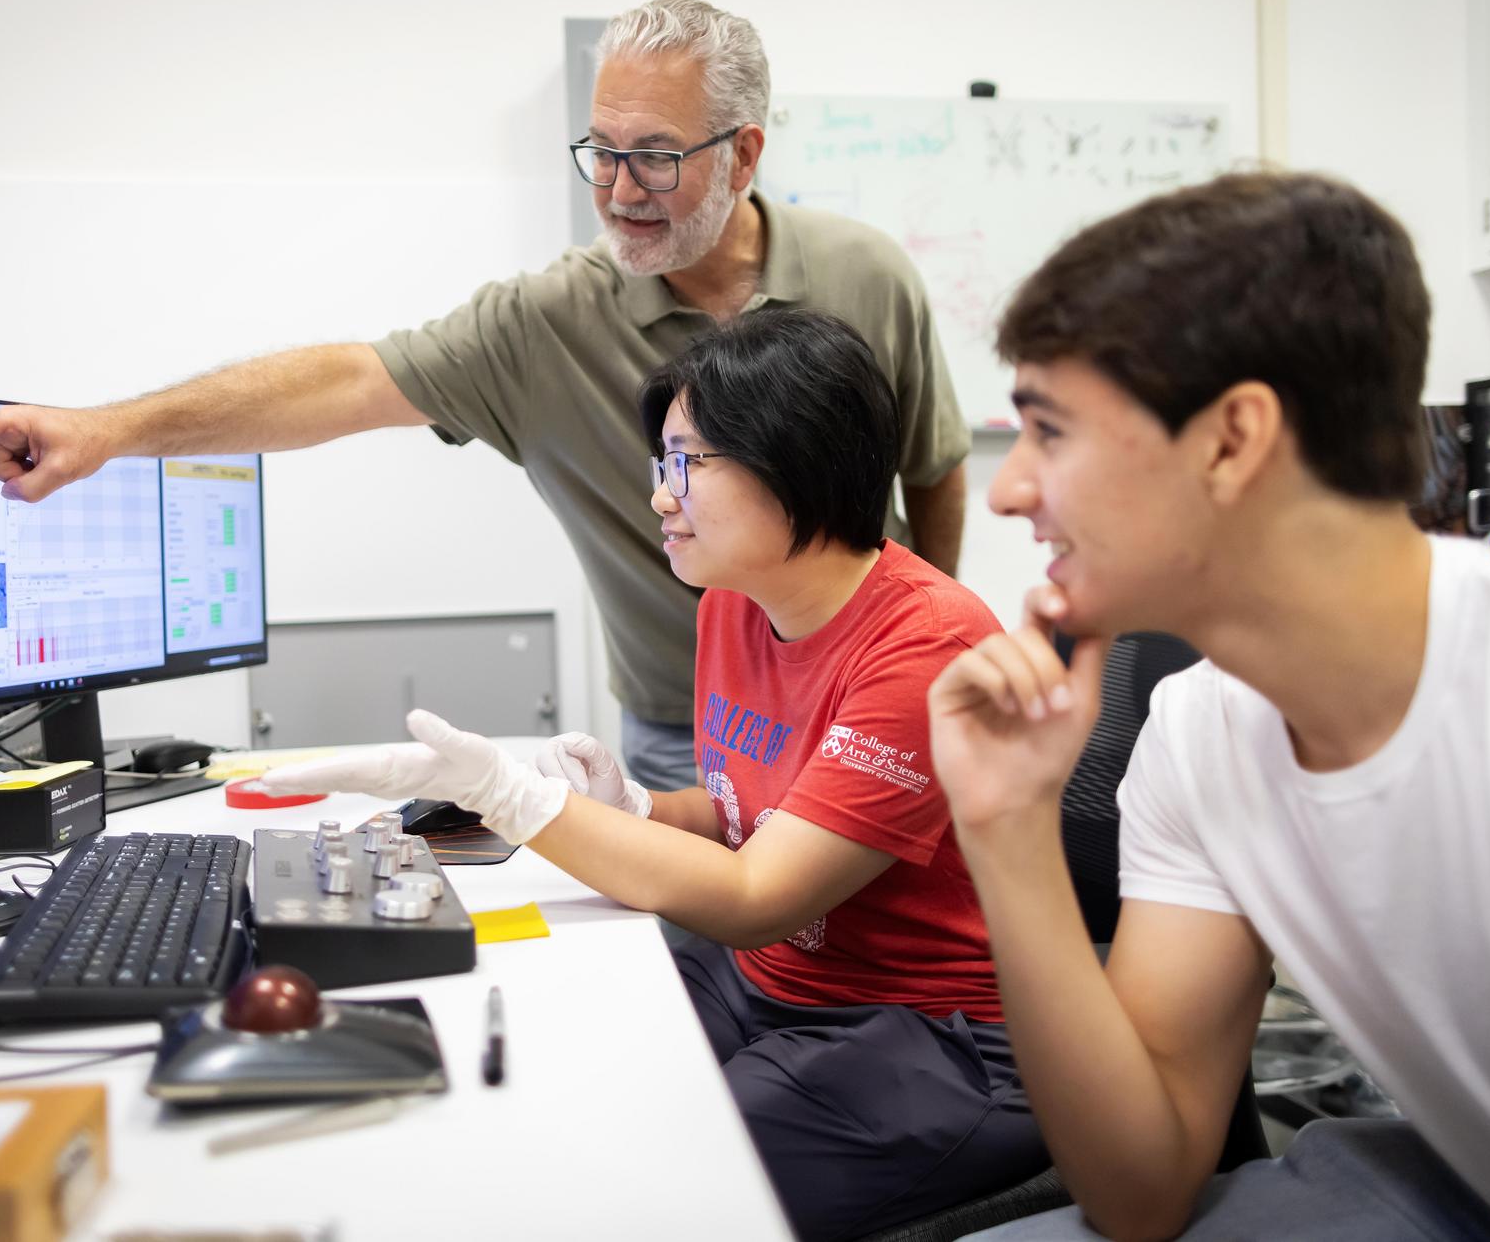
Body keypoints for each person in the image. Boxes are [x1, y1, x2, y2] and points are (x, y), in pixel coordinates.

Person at [0, 0, 971, 790]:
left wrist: (908, 655)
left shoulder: (864, 275)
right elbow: (349, 380)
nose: (615, 189)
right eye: (600, 150)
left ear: (743, 153)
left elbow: (931, 469)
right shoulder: (549, 321)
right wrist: (110, 431)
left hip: (863, 716)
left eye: (654, 155)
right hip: (689, 729)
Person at [928, 172, 1490, 1241]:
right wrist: (1004, 829)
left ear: (1232, 439)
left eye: (1048, 431)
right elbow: (1137, 1190)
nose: (1007, 489)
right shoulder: (1197, 733)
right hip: (1480, 1182)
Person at [265, 309, 1042, 1241]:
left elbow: (762, 893)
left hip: (927, 1028)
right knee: (547, 1048)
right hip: (773, 981)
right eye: (659, 465)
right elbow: (750, 819)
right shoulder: (734, 605)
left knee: (647, 1178)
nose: (661, 499)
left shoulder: (924, 646)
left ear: (795, 454)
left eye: (687, 463)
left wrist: (520, 800)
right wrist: (636, 808)